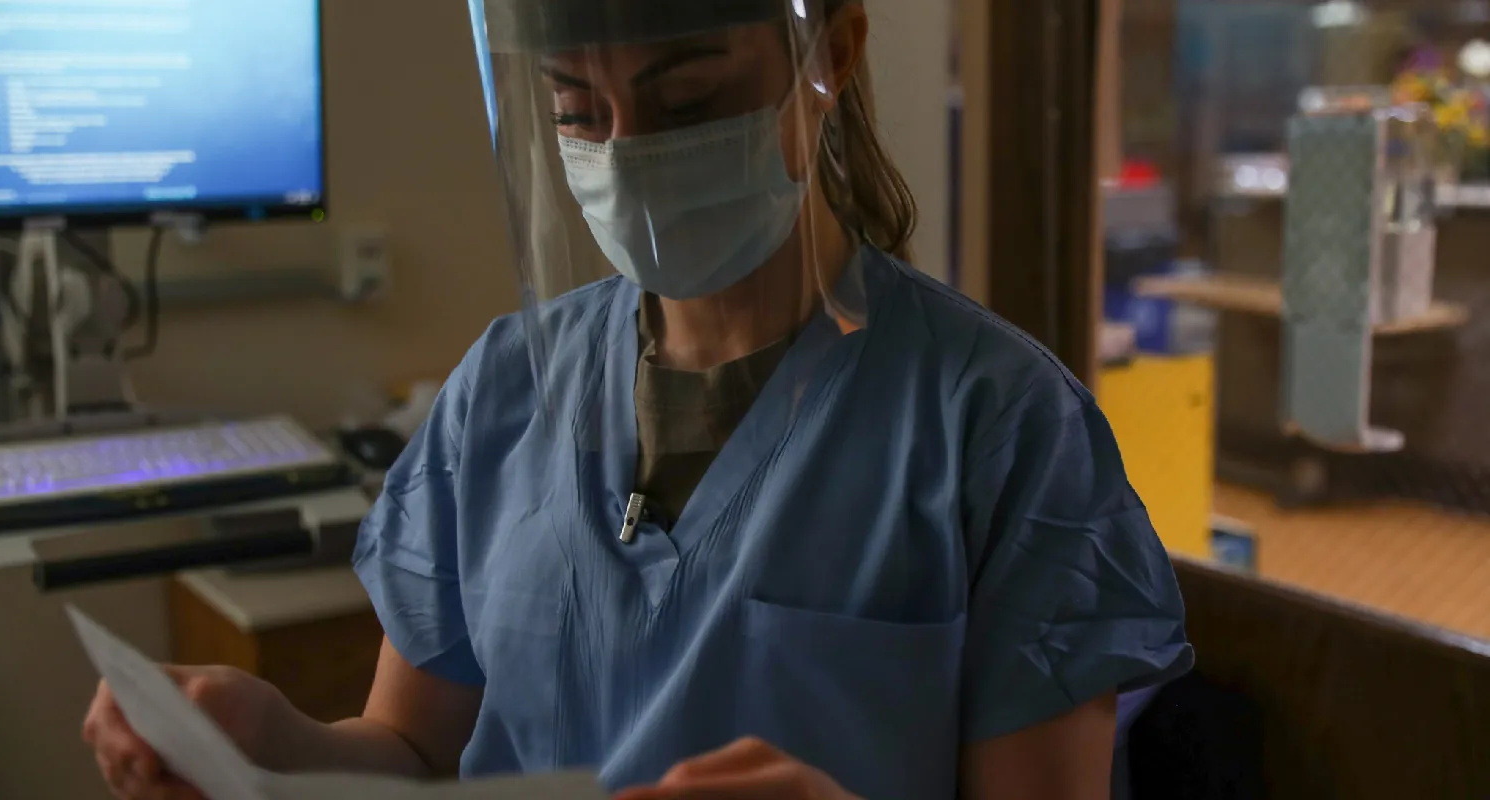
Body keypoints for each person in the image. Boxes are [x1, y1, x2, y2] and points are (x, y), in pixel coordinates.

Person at [83, 0, 1193, 798]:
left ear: (831, 51)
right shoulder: (506, 393)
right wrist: (268, 741)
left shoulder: (993, 426)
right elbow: (416, 754)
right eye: (578, 107)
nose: (630, 153)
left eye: (689, 97)